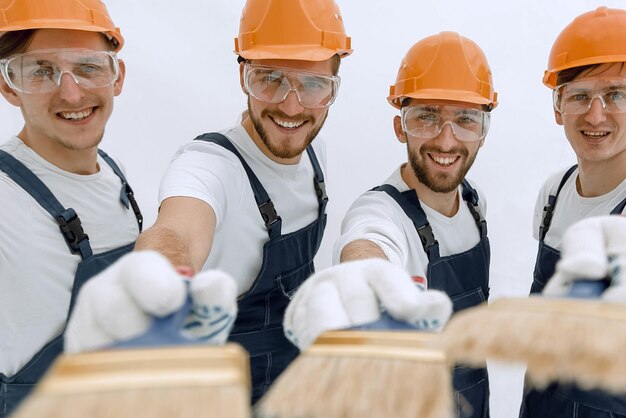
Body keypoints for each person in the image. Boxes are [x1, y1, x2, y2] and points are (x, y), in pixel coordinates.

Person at [64, 0, 352, 404]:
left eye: (313, 84)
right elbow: (176, 231)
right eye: (268, 78)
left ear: (335, 84)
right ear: (242, 75)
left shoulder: (315, 154)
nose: (291, 104)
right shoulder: (208, 166)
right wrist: (158, 280)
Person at [284, 31, 496, 418]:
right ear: (400, 127)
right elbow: (367, 246)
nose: (446, 141)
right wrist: (369, 287)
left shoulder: (473, 201)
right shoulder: (380, 211)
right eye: (427, 118)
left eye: (465, 120)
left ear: (483, 132)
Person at [0, 0, 141, 415]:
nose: (71, 91)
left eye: (88, 66)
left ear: (117, 78)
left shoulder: (115, 174)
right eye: (40, 71)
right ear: (9, 86)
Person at [520, 6, 626, 418]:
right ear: (557, 106)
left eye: (617, 94)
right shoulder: (554, 193)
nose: (595, 115)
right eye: (580, 95)